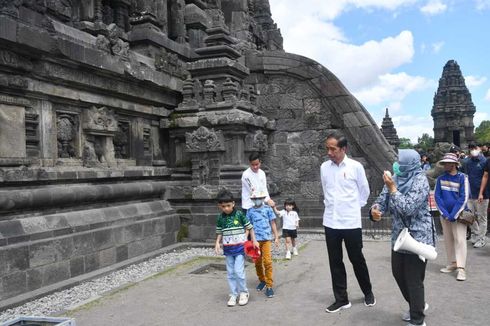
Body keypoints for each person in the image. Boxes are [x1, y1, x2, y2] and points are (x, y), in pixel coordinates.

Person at [371, 149, 436, 326]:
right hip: (399, 237)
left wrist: (393, 189)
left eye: (400, 162)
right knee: (398, 273)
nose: (396, 165)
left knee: (414, 279)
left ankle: (417, 319)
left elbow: (408, 208)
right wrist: (375, 210)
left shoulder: (420, 180)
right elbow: (381, 200)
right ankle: (418, 305)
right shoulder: (395, 178)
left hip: (418, 237)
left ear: (410, 164)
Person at [320, 131, 375, 313]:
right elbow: (325, 190)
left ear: (343, 149)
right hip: (331, 222)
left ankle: (368, 292)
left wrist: (351, 208)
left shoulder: (355, 167)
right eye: (327, 148)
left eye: (333, 149)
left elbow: (364, 192)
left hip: (351, 223)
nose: (329, 152)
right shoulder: (324, 168)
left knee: (357, 259)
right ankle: (341, 299)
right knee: (335, 262)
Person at [214, 189, 259, 307]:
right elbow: (219, 231)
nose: (226, 208)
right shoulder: (220, 218)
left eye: (228, 205)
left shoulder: (239, 214)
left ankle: (244, 292)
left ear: (233, 203)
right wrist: (217, 242)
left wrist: (252, 239)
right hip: (228, 250)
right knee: (230, 272)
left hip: (239, 249)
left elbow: (249, 226)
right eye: (223, 206)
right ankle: (233, 294)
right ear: (220, 206)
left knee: (239, 271)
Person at [434, 152, 469, 281]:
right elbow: (437, 197)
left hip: (459, 215)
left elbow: (463, 198)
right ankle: (452, 263)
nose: (445, 165)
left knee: (460, 240)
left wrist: (453, 214)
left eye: (447, 163)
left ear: (454, 164)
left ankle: (461, 268)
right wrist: (445, 214)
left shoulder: (462, 178)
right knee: (448, 239)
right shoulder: (440, 179)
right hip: (445, 215)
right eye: (444, 163)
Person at [246, 190, 279, 298]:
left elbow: (273, 223)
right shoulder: (250, 211)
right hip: (255, 240)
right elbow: (248, 226)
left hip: (266, 239)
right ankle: (262, 280)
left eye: (258, 198)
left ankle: (269, 285)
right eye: (254, 198)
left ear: (263, 198)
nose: (256, 200)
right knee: (257, 262)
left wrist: (276, 236)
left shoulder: (268, 209)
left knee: (268, 261)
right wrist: (245, 238)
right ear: (252, 199)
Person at [463, 144, 488, 248]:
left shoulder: (485, 161)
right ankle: (475, 234)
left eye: (475, 148)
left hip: (482, 194)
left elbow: (486, 177)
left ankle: (482, 238)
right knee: (469, 216)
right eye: (471, 149)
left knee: (482, 217)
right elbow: (465, 177)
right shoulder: (467, 162)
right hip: (470, 193)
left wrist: (481, 193)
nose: (473, 151)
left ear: (479, 149)